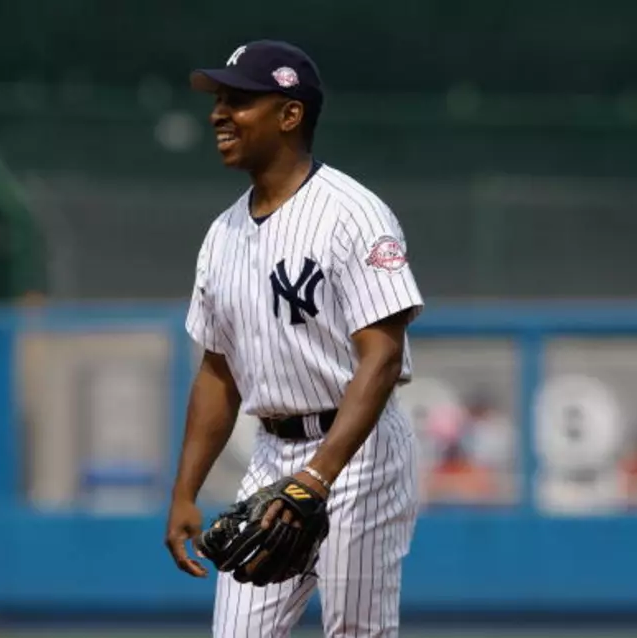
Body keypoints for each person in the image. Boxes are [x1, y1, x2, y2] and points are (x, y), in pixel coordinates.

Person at [163, 40, 425, 638]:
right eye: (219, 100)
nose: (218, 114)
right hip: (271, 453)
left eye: (238, 100)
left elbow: (381, 359)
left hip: (359, 454)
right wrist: (184, 492)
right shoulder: (221, 235)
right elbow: (217, 372)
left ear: (289, 114)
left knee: (356, 634)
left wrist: (318, 477)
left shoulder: (354, 215)